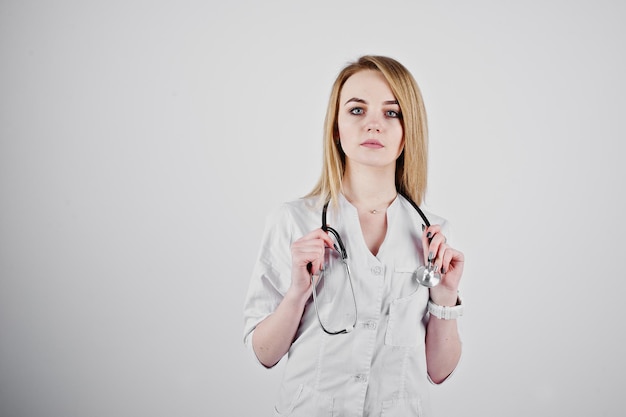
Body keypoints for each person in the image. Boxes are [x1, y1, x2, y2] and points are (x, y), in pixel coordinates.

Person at [242, 55, 465, 417]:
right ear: (336, 127)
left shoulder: (434, 237)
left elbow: (439, 370)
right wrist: (298, 291)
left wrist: (446, 296)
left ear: (409, 132)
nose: (373, 125)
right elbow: (264, 354)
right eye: (357, 110)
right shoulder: (294, 221)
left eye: (392, 113)